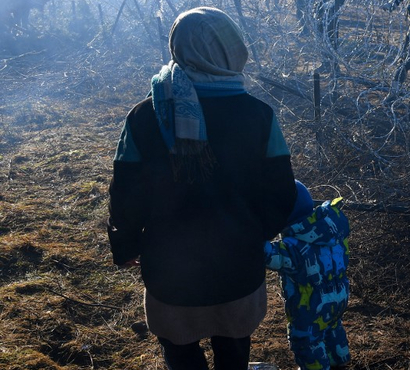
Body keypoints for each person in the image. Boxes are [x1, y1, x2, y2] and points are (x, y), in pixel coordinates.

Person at [107, 7, 296, 370]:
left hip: (170, 271)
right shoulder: (259, 115)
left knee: (180, 353)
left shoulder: (145, 115)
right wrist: (252, 232)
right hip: (238, 266)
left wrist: (125, 244)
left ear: (179, 47)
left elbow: (126, 193)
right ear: (232, 51)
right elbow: (281, 193)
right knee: (235, 348)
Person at [264, 181, 351, 370]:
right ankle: (339, 359)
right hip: (340, 294)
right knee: (331, 327)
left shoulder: (294, 248)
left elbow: (266, 254)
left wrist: (252, 232)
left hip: (312, 304)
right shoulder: (331, 230)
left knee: (306, 339)